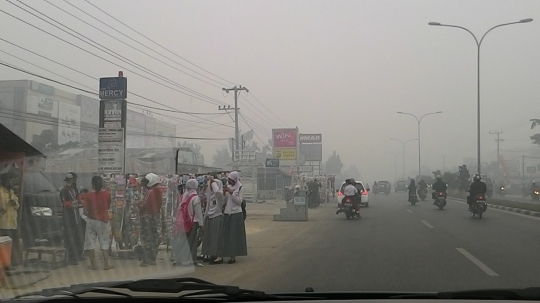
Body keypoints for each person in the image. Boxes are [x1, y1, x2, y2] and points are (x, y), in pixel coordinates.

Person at [82, 176, 114, 270]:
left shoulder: (88, 195)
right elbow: (108, 206)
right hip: (103, 221)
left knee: (90, 243)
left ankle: (93, 265)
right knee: (104, 242)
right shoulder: (107, 194)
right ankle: (106, 265)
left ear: (92, 184)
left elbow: (85, 210)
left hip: (91, 220)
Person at [171, 179, 204, 267]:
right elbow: (198, 213)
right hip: (193, 222)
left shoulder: (184, 196)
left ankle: (177, 259)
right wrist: (201, 224)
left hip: (183, 222)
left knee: (182, 240)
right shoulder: (195, 197)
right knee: (193, 242)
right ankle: (192, 260)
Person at [217, 171, 247, 264]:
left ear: (235, 179)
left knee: (233, 236)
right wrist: (223, 194)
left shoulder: (241, 188)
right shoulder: (229, 187)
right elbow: (224, 201)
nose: (229, 182)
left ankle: (232, 257)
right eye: (228, 180)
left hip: (236, 214)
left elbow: (239, 202)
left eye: (230, 180)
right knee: (225, 235)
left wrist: (231, 193)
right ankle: (222, 255)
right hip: (227, 213)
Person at [138, 173, 163, 267]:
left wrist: (138, 204)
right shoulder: (158, 191)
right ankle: (153, 258)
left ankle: (145, 260)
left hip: (147, 217)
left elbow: (144, 204)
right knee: (154, 237)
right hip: (156, 216)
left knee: (145, 238)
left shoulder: (151, 192)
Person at [60, 173, 84, 265]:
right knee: (69, 238)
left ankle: (77, 255)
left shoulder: (74, 189)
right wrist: (73, 204)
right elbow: (64, 203)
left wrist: (81, 202)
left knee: (77, 237)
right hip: (69, 218)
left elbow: (78, 198)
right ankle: (69, 257)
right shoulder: (63, 191)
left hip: (76, 217)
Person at [0, 173, 19, 253]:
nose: (12, 182)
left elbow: (17, 205)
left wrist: (14, 203)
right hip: (3, 224)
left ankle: (10, 262)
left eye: (13, 180)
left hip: (12, 224)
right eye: (10, 180)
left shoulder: (11, 191)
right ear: (5, 181)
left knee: (11, 245)